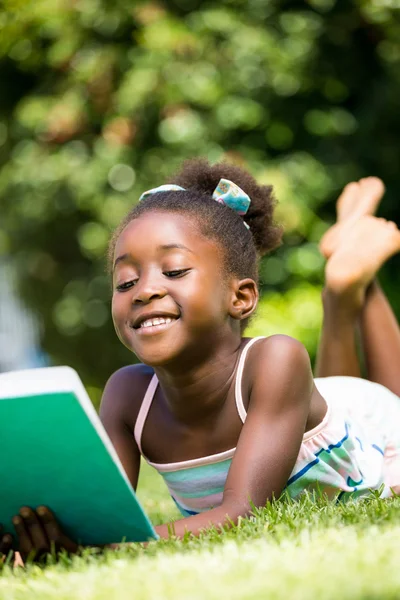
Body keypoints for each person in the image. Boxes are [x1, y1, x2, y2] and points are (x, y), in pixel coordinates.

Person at [1, 162, 399, 560]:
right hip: (306, 415)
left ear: (240, 297)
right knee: (331, 399)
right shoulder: (127, 394)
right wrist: (41, 540)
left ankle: (346, 289)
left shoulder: (276, 359)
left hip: (373, 430)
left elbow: (244, 511)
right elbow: (96, 518)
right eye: (125, 281)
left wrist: (114, 547)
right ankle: (345, 279)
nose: (145, 290)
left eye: (173, 270)